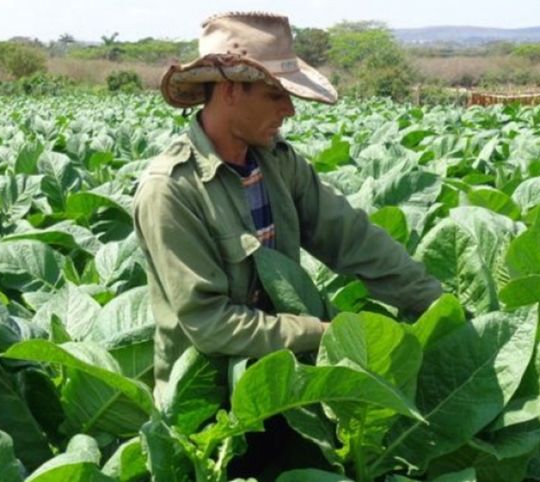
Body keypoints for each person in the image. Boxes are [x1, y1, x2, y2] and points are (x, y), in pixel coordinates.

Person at [132, 11, 442, 402]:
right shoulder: (170, 190)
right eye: (276, 95)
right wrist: (322, 332)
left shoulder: (278, 163)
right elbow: (211, 325)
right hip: (208, 406)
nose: (290, 110)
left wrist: (436, 302)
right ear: (230, 91)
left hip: (288, 388)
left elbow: (353, 239)